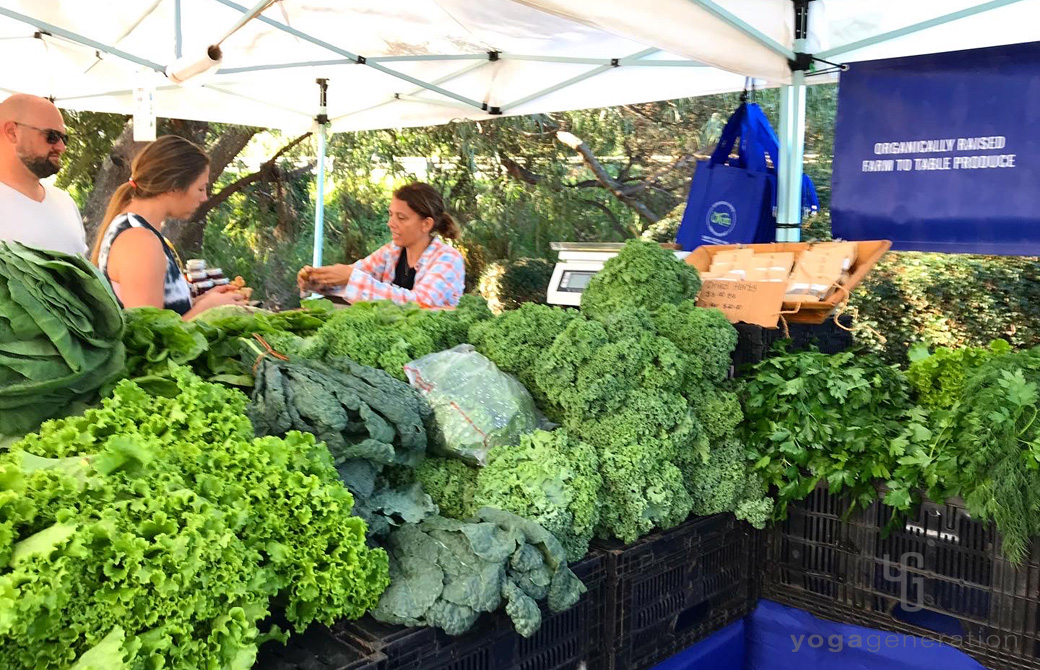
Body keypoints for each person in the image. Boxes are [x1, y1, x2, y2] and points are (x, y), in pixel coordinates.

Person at [91, 135, 245, 319]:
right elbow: (149, 339)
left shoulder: (137, 231)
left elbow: (163, 315)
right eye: (201, 188)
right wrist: (207, 310)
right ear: (173, 186)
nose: (204, 198)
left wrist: (203, 301)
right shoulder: (139, 241)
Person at [297, 182, 465, 309]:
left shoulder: (448, 260)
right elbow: (357, 275)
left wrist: (351, 277)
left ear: (426, 224)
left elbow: (419, 303)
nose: (390, 223)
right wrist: (318, 280)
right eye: (390, 214)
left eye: (401, 217)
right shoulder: (392, 252)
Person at [0, 93, 86, 255]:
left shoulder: (65, 203)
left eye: (64, 138)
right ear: (12, 132)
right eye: (52, 136)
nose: (62, 147)